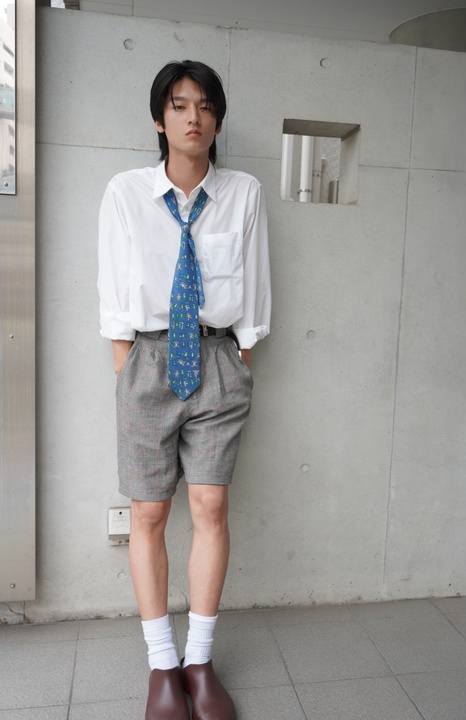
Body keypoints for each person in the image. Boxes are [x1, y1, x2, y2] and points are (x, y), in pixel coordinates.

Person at [97, 60, 271, 720]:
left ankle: (199, 661)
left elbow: (255, 280)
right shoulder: (125, 193)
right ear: (159, 119)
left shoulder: (244, 192)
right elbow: (112, 279)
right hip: (147, 359)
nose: (192, 116)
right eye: (178, 104)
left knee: (211, 505)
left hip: (218, 358)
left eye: (204, 105)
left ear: (218, 121)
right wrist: (125, 361)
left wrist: (241, 353)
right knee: (147, 512)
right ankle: (161, 667)